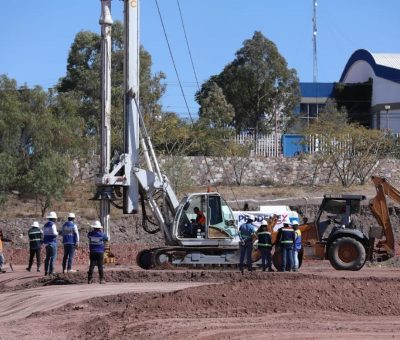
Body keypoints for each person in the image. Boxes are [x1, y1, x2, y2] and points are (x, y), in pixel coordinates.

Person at [43, 211, 59, 275]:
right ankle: (51, 271)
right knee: (53, 257)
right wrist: (58, 233)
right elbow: (55, 233)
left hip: (46, 243)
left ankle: (46, 271)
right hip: (52, 242)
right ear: (53, 218)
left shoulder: (45, 225)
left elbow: (44, 233)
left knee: (47, 258)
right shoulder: (53, 224)